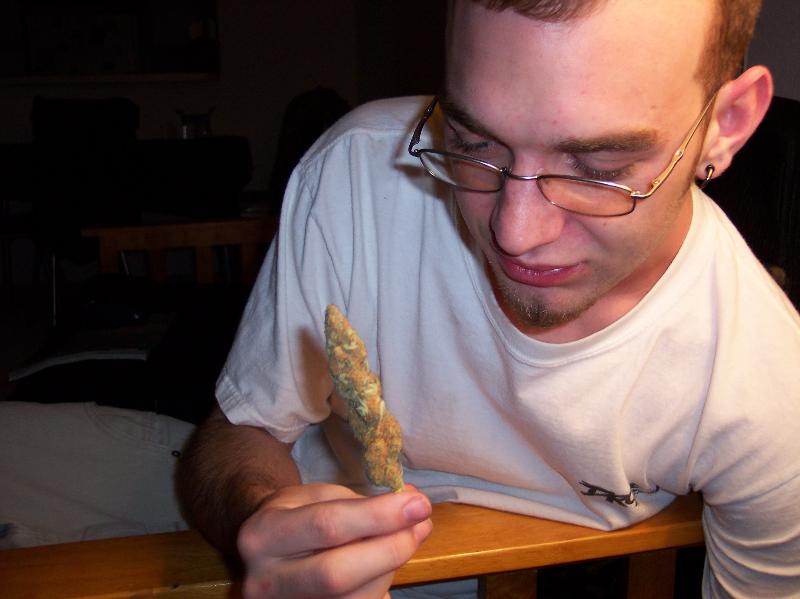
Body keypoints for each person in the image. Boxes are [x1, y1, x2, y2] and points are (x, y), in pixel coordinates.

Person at [176, 0, 800, 597]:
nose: (514, 233)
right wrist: (265, 524)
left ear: (726, 125)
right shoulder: (358, 174)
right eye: (473, 144)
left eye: (598, 167)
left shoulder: (770, 392)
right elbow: (242, 431)